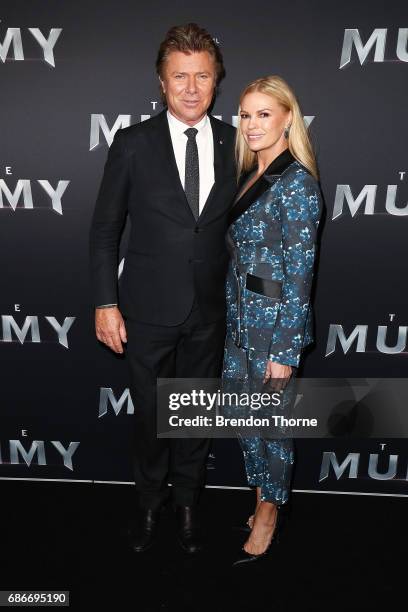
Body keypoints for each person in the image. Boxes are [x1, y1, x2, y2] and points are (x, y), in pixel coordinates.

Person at [89, 23, 236, 554]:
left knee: (194, 414)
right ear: (161, 81)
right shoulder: (132, 144)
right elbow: (106, 230)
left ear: (216, 82)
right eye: (181, 76)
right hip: (147, 309)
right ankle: (150, 506)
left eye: (202, 76)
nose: (192, 88)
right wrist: (106, 301)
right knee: (152, 418)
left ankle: (190, 505)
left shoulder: (236, 141)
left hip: (211, 309)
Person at [222, 75, 322, 565]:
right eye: (245, 113)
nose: (252, 123)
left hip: (272, 332)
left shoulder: (297, 184)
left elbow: (300, 278)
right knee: (243, 419)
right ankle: (258, 491)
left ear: (287, 118)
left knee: (273, 426)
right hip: (239, 325)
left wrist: (283, 355)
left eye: (264, 113)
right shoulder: (250, 174)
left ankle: (269, 509)